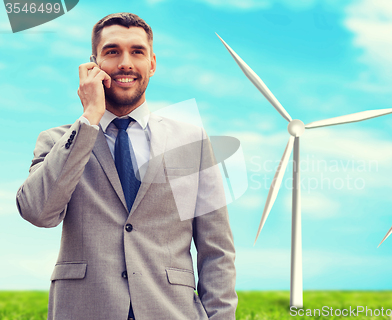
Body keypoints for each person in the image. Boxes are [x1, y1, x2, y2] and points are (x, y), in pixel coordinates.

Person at [16, 12, 237, 320]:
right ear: (93, 64)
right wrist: (88, 118)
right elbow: (37, 212)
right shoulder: (58, 141)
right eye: (112, 51)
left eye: (137, 52)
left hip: (171, 310)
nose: (125, 63)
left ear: (153, 63)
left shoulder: (192, 142)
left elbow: (217, 252)